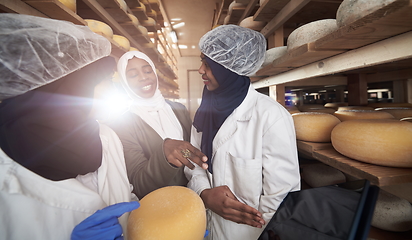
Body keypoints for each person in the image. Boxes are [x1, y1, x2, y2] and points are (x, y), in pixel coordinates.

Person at [0, 13, 138, 240]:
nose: (113, 89)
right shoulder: (7, 164)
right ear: (70, 85)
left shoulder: (105, 135)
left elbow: (122, 193)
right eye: (103, 80)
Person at [184, 25, 301, 240]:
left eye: (207, 64)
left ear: (227, 68)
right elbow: (194, 163)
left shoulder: (271, 117)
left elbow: (281, 197)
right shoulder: (205, 112)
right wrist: (205, 193)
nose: (201, 70)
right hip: (206, 228)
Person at [108, 51, 208, 200]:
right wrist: (165, 156)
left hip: (193, 197)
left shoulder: (178, 109)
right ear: (124, 82)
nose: (143, 77)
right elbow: (139, 183)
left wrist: (202, 187)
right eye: (133, 75)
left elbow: (189, 152)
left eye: (148, 71)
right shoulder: (123, 123)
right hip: (159, 207)